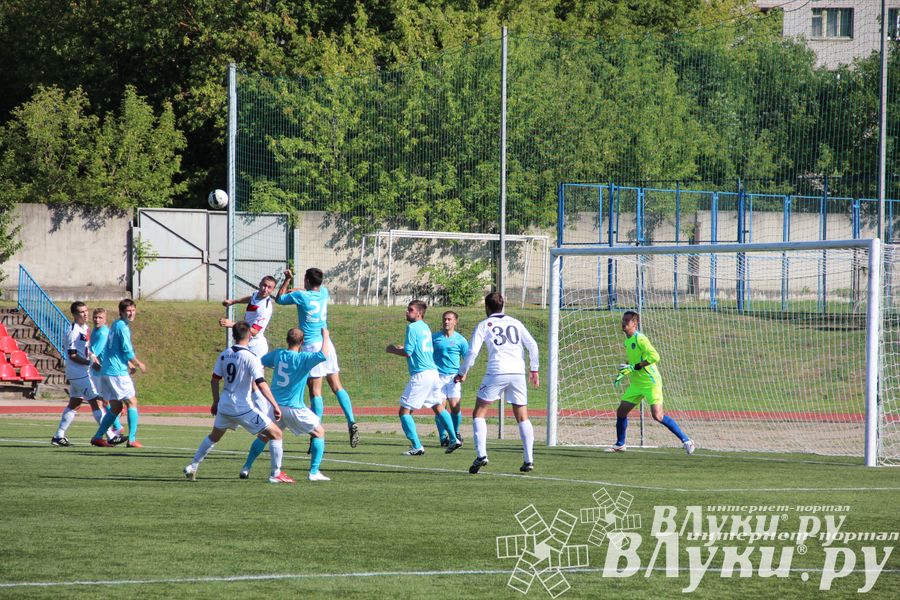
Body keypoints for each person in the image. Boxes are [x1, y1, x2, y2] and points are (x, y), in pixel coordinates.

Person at [183, 321, 287, 482]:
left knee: (213, 437)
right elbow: (261, 383)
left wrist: (216, 402)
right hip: (242, 408)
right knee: (276, 433)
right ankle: (276, 474)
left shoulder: (224, 354)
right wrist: (275, 405)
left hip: (225, 405)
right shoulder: (251, 357)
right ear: (250, 335)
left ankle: (193, 465)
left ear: (233, 336)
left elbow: (214, 380)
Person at [456, 292, 539, 474]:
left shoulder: (484, 325)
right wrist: (534, 370)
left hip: (497, 370)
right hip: (517, 372)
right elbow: (532, 345)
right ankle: (529, 460)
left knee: (479, 413)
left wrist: (462, 372)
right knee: (522, 416)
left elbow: (472, 352)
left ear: (487, 307)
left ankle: (482, 455)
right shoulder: (515, 323)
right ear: (503, 306)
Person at [275, 268, 359, 448]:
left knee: (315, 391)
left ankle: (316, 429)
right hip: (327, 344)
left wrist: (287, 280)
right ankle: (351, 420)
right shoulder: (324, 293)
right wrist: (299, 290)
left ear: (305, 280)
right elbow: (309, 290)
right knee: (337, 386)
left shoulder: (302, 297)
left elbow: (279, 298)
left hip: (312, 347)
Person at [239, 328, 333, 482]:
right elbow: (323, 354)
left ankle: (246, 467)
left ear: (287, 340)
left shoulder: (278, 354)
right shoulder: (303, 358)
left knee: (264, 436)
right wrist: (326, 336)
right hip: (294, 407)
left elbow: (260, 361)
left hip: (275, 407)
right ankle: (314, 472)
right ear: (301, 342)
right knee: (319, 432)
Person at [608, 311, 695, 455]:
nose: (624, 323)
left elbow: (655, 356)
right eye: (623, 320)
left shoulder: (640, 339)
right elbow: (634, 360)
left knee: (657, 415)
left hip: (651, 382)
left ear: (634, 324)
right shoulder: (627, 341)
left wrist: (637, 366)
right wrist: (627, 369)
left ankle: (687, 441)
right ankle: (620, 444)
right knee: (621, 411)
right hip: (637, 384)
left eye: (627, 321)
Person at [386, 300, 461, 456]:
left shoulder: (412, 327)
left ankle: (417, 446)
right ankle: (454, 438)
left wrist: (393, 349)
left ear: (418, 313)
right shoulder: (425, 327)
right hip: (434, 373)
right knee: (438, 406)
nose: (407, 312)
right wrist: (404, 348)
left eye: (410, 309)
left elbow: (408, 352)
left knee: (404, 412)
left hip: (421, 374)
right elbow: (415, 348)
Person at [51, 303, 125, 446]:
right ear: (74, 315)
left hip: (80, 372)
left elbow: (85, 349)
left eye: (86, 311)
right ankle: (110, 435)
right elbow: (72, 355)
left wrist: (90, 356)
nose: (85, 314)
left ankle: (58, 435)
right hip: (78, 372)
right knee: (95, 401)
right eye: (81, 312)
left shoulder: (84, 328)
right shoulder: (73, 331)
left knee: (75, 403)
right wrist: (89, 362)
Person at [90, 299, 146, 448]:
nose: (131, 313)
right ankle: (132, 439)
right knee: (132, 402)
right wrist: (137, 362)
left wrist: (128, 363)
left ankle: (97, 437)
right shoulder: (122, 327)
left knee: (115, 408)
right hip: (117, 372)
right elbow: (127, 349)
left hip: (106, 371)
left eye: (133, 310)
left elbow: (115, 349)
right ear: (121, 312)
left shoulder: (115, 325)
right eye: (128, 310)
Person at [432, 311, 468, 447]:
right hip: (438, 377)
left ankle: (456, 432)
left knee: (455, 407)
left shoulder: (461, 340)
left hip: (454, 378)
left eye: (449, 319)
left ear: (455, 322)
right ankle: (443, 437)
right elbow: (426, 352)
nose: (446, 321)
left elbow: (468, 358)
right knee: (440, 407)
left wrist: (464, 373)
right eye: (444, 319)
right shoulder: (435, 338)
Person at [220, 275, 277, 359]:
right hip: (246, 341)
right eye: (264, 285)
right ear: (260, 284)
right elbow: (251, 298)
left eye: (269, 287)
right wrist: (233, 301)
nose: (265, 289)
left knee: (254, 372)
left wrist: (232, 324)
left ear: (273, 290)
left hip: (255, 345)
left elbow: (254, 331)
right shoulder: (257, 293)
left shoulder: (265, 308)